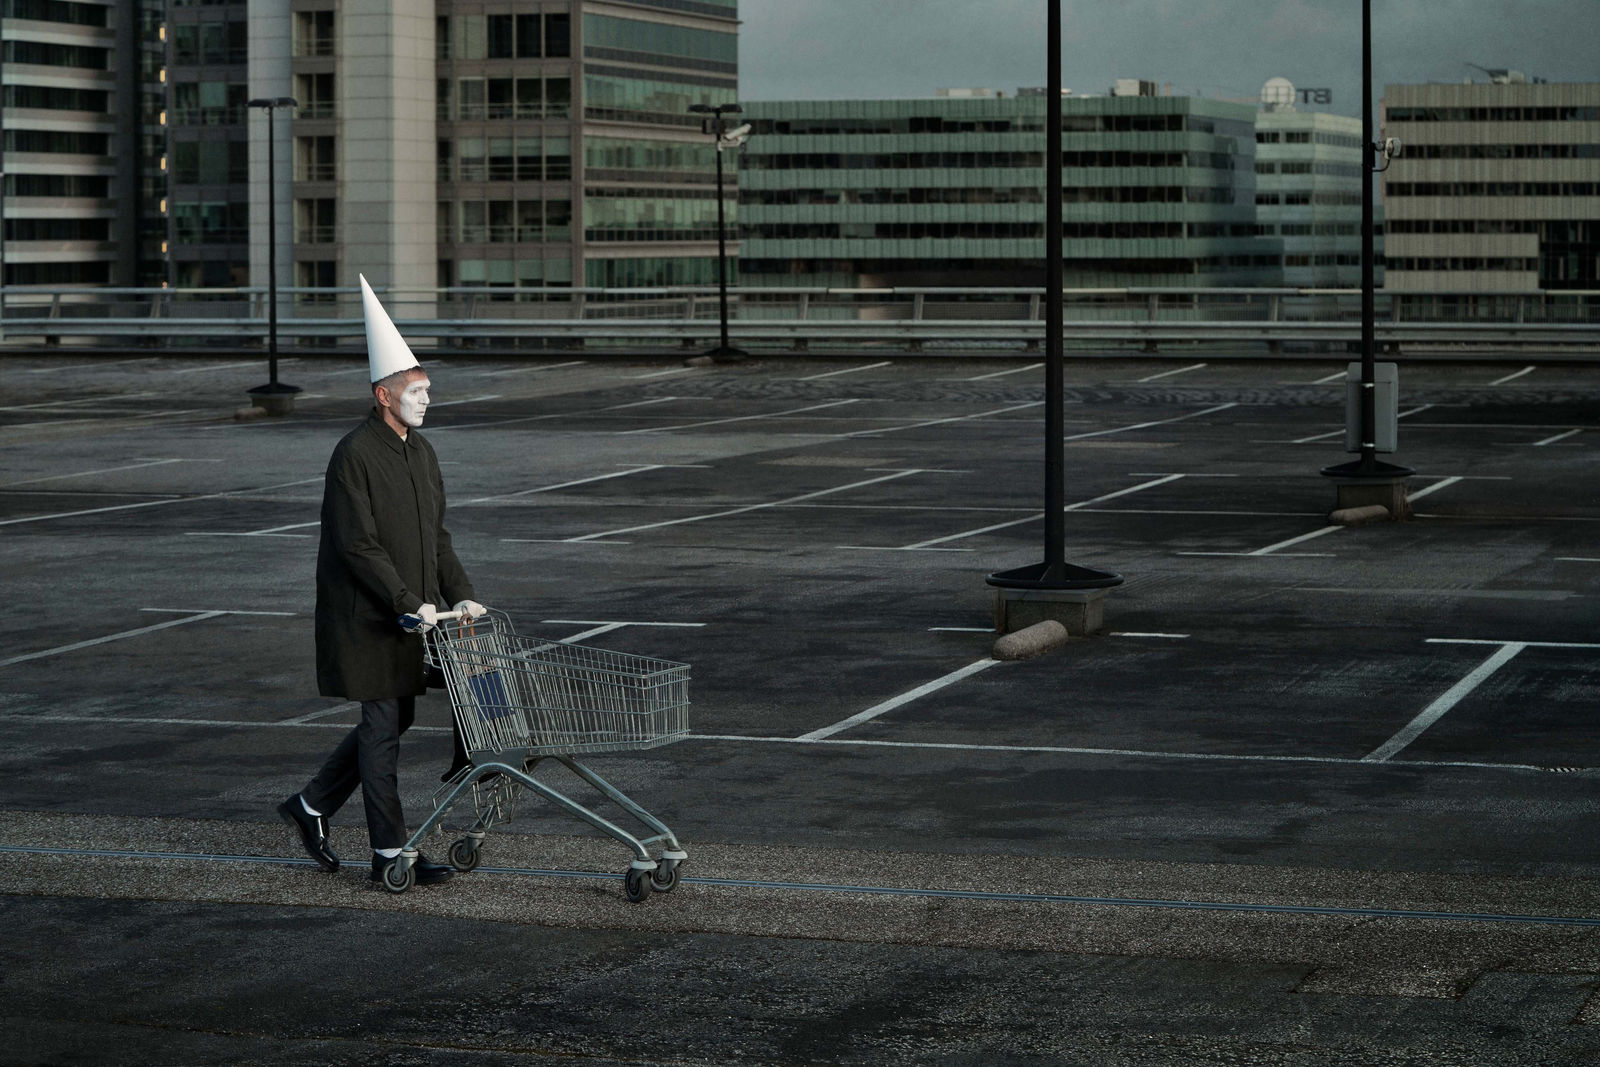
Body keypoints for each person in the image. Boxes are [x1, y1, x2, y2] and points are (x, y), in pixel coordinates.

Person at [278, 274, 485, 886]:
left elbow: (436, 540)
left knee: (398, 719)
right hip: (366, 618)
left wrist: (460, 593)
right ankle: (389, 854)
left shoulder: (421, 453)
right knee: (381, 729)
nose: (425, 400)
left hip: (408, 617)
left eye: (427, 390)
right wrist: (406, 601)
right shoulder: (354, 454)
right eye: (414, 391)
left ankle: (311, 804)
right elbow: (357, 544)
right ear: (383, 396)